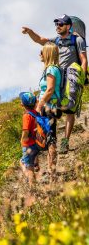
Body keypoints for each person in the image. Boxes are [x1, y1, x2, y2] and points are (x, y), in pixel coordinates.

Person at [22, 14, 88, 154]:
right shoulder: (56, 40)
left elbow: (83, 59)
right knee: (54, 106)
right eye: (56, 24)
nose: (58, 26)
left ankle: (65, 141)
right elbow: (40, 40)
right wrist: (30, 32)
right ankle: (51, 139)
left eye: (61, 24)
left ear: (68, 26)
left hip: (72, 78)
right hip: (57, 77)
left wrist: (81, 78)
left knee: (70, 110)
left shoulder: (78, 40)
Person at [37, 42, 62, 181]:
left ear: (47, 53)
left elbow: (50, 89)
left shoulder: (51, 69)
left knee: (51, 139)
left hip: (49, 107)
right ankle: (50, 170)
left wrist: (40, 105)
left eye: (42, 51)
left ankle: (52, 173)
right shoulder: (51, 69)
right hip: (50, 107)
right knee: (49, 138)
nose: (40, 54)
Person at [19, 91, 39, 188]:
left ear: (22, 104)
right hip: (36, 143)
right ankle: (36, 164)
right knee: (31, 162)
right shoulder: (36, 113)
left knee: (26, 166)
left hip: (28, 145)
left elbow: (25, 131)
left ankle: (32, 187)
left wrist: (22, 141)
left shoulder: (27, 116)